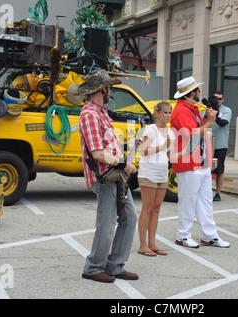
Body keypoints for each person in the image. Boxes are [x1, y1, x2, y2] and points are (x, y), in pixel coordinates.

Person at [79, 69, 138, 283]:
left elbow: (106, 147)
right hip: (105, 176)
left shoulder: (101, 112)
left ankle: (114, 265)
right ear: (102, 89)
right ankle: (94, 267)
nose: (111, 90)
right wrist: (124, 163)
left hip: (115, 175)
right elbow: (97, 153)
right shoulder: (89, 114)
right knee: (106, 224)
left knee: (129, 218)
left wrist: (123, 156)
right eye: (109, 87)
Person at [170, 76, 230, 248]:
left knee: (205, 200)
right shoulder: (181, 110)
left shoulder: (192, 108)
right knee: (188, 200)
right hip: (188, 160)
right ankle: (183, 234)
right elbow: (193, 134)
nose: (199, 93)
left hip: (201, 159)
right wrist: (210, 121)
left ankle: (209, 235)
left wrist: (206, 118)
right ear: (191, 93)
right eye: (197, 90)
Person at [137, 101, 186, 257]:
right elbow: (143, 151)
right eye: (165, 112)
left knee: (156, 209)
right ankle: (143, 245)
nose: (168, 115)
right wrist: (162, 146)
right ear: (156, 114)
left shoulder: (171, 133)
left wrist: (186, 152)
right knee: (147, 208)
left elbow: (170, 156)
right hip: (148, 173)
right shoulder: (150, 130)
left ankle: (152, 243)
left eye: (169, 112)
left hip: (162, 174)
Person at [211, 91, 232, 201]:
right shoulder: (207, 109)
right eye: (215, 98)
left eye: (219, 99)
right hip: (208, 142)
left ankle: (218, 193)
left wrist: (215, 114)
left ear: (222, 100)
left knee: (219, 169)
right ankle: (206, 190)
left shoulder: (227, 110)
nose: (217, 101)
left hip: (220, 144)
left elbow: (223, 123)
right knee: (206, 168)